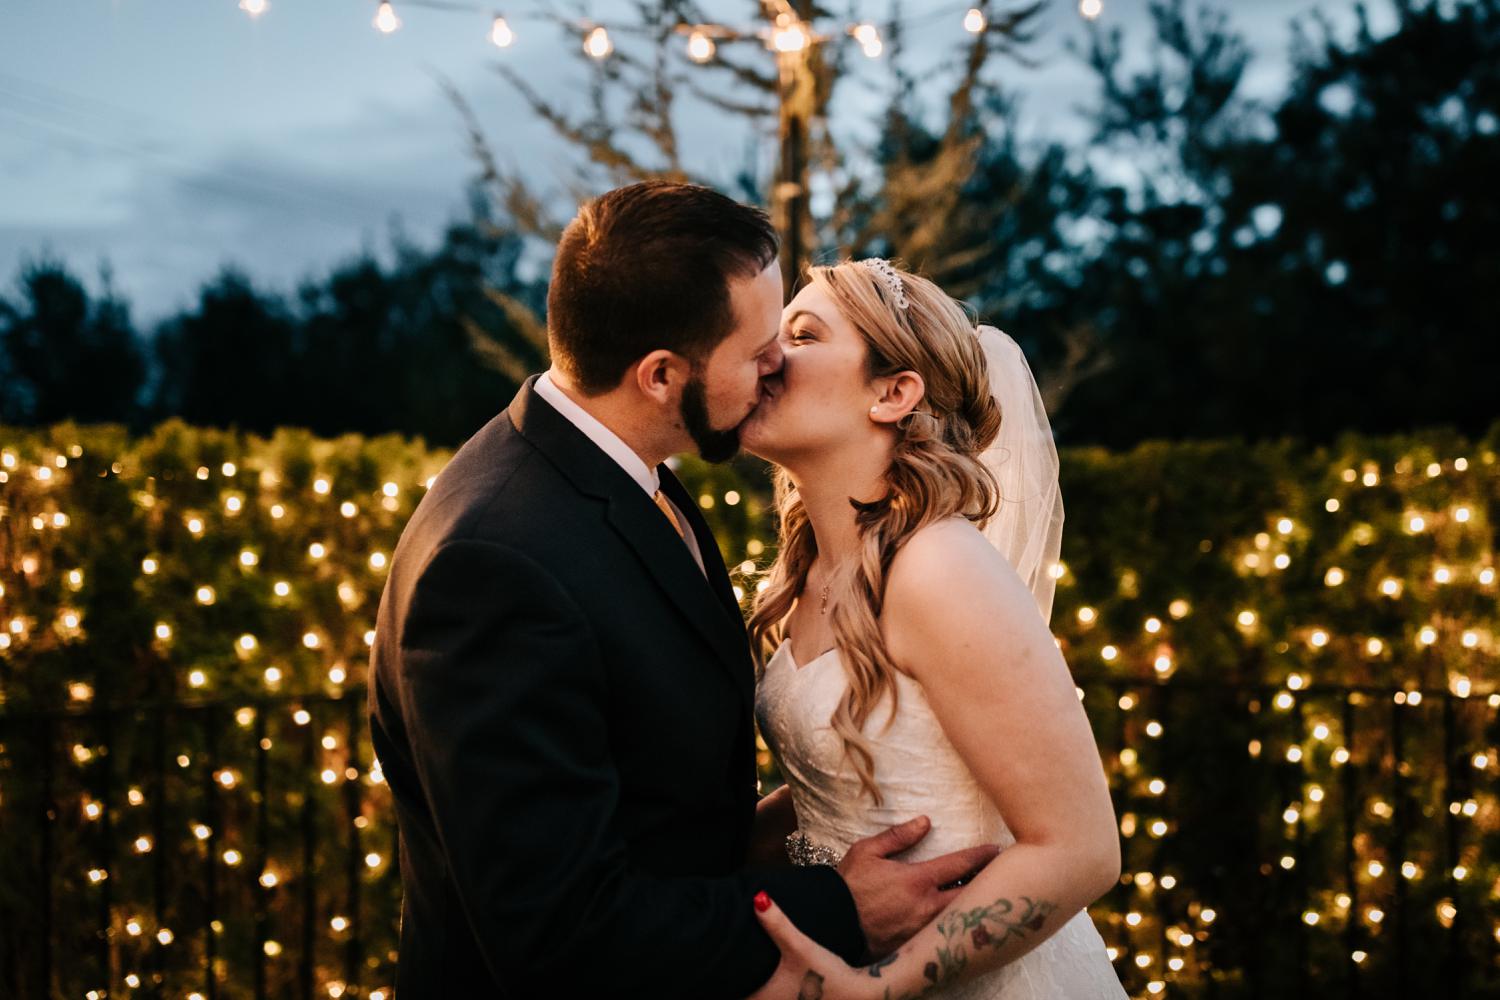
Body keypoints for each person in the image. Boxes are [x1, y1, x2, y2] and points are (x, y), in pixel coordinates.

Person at [367, 184, 998, 998]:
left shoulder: (628, 470)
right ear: (662, 374)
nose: (777, 366)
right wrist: (835, 904)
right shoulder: (497, 563)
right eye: (760, 348)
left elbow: (658, 791)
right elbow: (561, 930)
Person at [737, 259, 1128, 999]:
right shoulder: (810, 574)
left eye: (804, 333)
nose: (768, 356)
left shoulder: (940, 568)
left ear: (893, 393)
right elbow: (860, 775)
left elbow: (1082, 850)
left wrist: (880, 986)